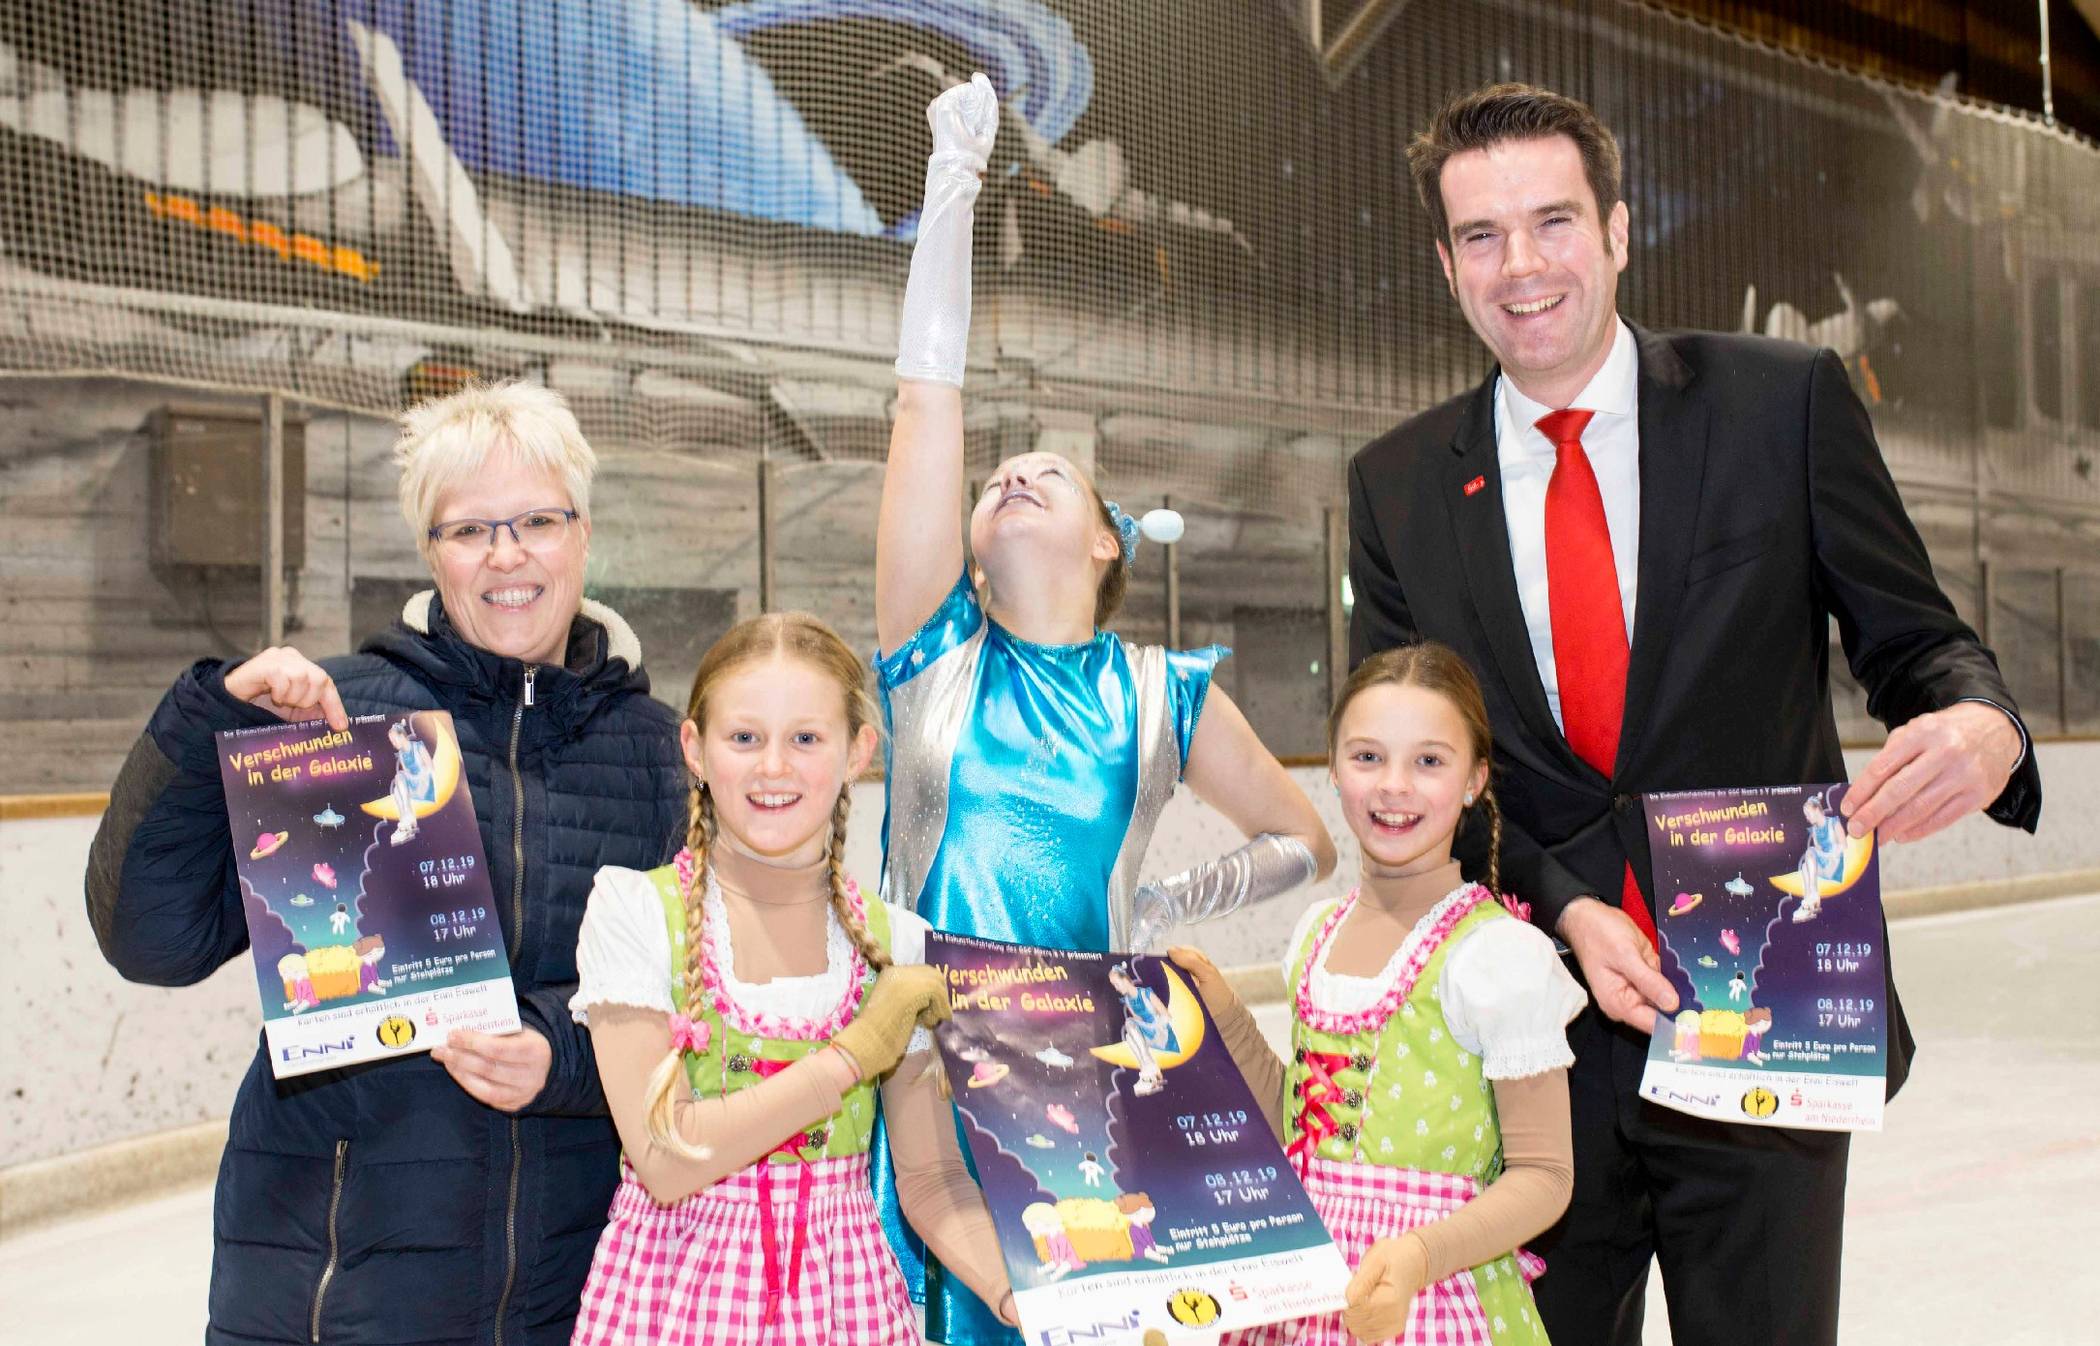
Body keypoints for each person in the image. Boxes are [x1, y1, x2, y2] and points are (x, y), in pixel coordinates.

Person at [1346, 83, 2041, 1346]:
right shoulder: (1395, 484)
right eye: (1483, 237)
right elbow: (1423, 770)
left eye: (1552, 221)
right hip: (1531, 1044)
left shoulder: (1781, 405)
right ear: (1446, 267)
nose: (1523, 266)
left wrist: (1983, 720)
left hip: (1765, 1004)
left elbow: (1921, 641)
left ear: (1616, 232)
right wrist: (1562, 899)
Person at [877, 74, 1337, 1345]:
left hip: (1098, 1076)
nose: (1014, 468)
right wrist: (951, 197)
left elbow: (1310, 837)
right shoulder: (933, 661)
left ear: (1103, 546)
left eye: (1054, 471)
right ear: (967, 559)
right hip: (932, 1074)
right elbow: (927, 404)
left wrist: (1172, 908)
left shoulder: (1161, 689)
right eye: (998, 476)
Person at [85, 381, 688, 1345]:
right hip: (333, 1289)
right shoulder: (338, 715)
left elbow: (698, 1005)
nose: (506, 554)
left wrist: (561, 1058)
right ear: (429, 550)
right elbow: (154, 939)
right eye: (468, 529)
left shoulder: (658, 750)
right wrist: (214, 727)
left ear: (582, 532)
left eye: (537, 519)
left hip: (567, 1288)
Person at [569, 612, 1015, 1343]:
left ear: (857, 753)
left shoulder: (898, 942)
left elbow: (933, 1183)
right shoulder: (635, 909)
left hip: (846, 1306)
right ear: (696, 750)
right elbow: (666, 1160)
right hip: (675, 1303)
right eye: (744, 738)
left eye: (806, 738)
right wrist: (851, 1055)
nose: (773, 767)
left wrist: (1020, 1297)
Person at [1174, 644, 1583, 1346]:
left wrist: (1420, 1254)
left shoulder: (1499, 956)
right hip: (1302, 1295)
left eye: (1428, 761)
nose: (1393, 785)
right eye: (1367, 757)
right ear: (1332, 770)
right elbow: (1298, 1129)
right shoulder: (1315, 934)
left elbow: (1545, 1176)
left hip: (1435, 1299)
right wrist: (1228, 1019)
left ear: (1474, 780)